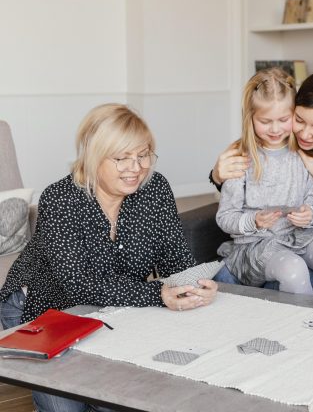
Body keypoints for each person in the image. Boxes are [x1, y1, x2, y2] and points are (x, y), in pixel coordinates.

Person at [0, 103, 218, 412]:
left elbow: (175, 259)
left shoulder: (155, 190)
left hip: (112, 306)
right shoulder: (60, 199)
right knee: (66, 407)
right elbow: (78, 285)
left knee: (115, 399)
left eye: (143, 155)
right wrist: (159, 294)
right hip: (42, 308)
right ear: (93, 156)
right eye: (121, 158)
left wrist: (192, 282)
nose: (136, 167)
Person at [210, 71, 313, 291]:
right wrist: (252, 218)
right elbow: (227, 214)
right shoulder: (242, 157)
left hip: (302, 236)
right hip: (259, 243)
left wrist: (310, 214)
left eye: (283, 120)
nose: (276, 129)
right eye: (299, 121)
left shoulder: (308, 153)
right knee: (294, 270)